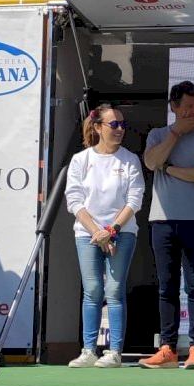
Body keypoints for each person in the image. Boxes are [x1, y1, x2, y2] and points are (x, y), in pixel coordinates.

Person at [139, 81, 194, 370]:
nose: (193, 112)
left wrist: (171, 169)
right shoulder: (158, 134)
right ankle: (167, 347)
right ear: (173, 107)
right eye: (187, 106)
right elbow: (152, 163)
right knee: (167, 286)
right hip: (162, 220)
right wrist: (176, 134)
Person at [64, 104, 145, 368]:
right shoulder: (81, 159)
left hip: (122, 232)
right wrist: (96, 232)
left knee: (114, 289)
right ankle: (89, 350)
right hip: (87, 234)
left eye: (122, 124)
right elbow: (74, 200)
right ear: (98, 127)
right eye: (114, 124)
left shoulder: (130, 159)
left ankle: (114, 352)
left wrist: (111, 231)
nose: (120, 129)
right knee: (92, 290)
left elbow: (134, 200)